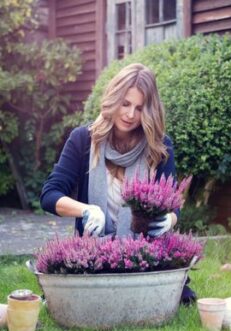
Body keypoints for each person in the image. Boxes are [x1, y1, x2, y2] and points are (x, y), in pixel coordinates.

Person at [40, 63, 195, 304]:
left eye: (139, 108)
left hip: (143, 254)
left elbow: (173, 206)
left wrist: (169, 220)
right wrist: (86, 210)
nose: (130, 114)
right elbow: (49, 195)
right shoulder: (83, 140)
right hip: (93, 253)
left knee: (171, 296)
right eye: (125, 104)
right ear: (114, 99)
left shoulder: (159, 146)